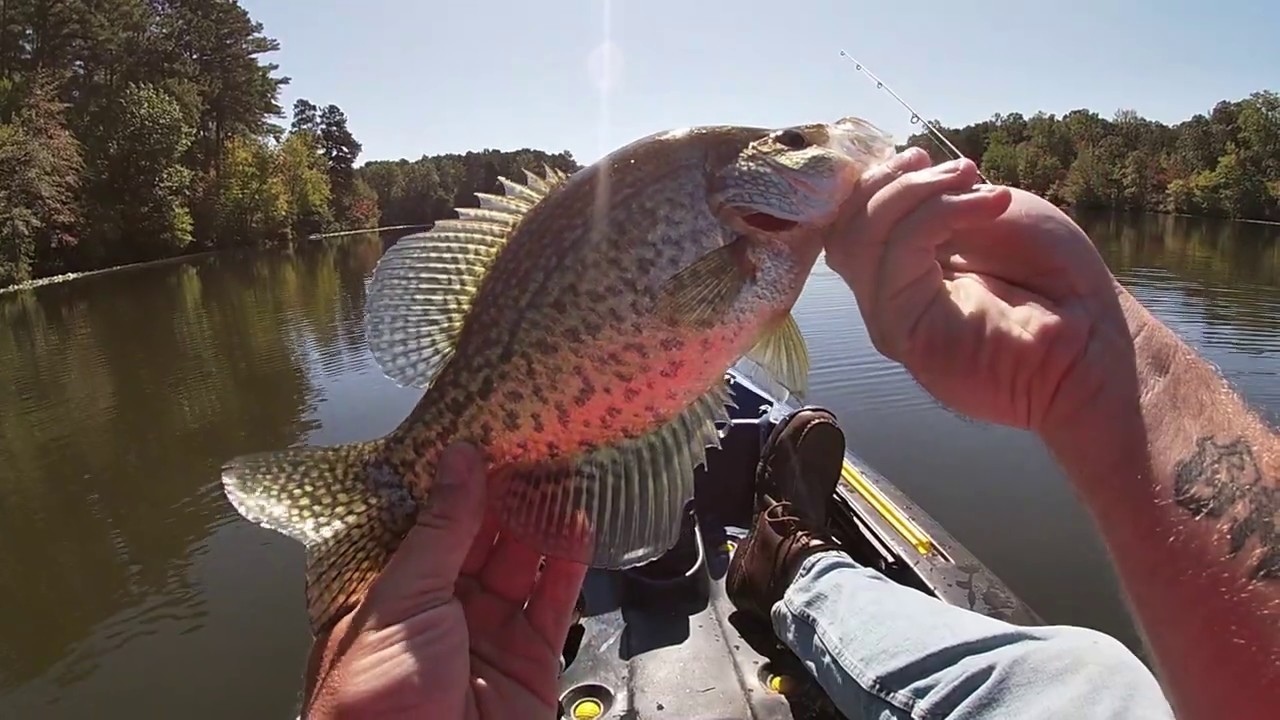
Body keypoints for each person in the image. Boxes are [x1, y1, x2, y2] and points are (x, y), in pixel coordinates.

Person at [298, 149, 1279, 719]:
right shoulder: (741, 229)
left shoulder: (752, 237)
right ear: (748, 180)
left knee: (1091, 678)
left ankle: (792, 570)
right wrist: (1101, 362)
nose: (827, 150)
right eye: (800, 142)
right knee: (1094, 676)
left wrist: (1093, 361)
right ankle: (798, 568)